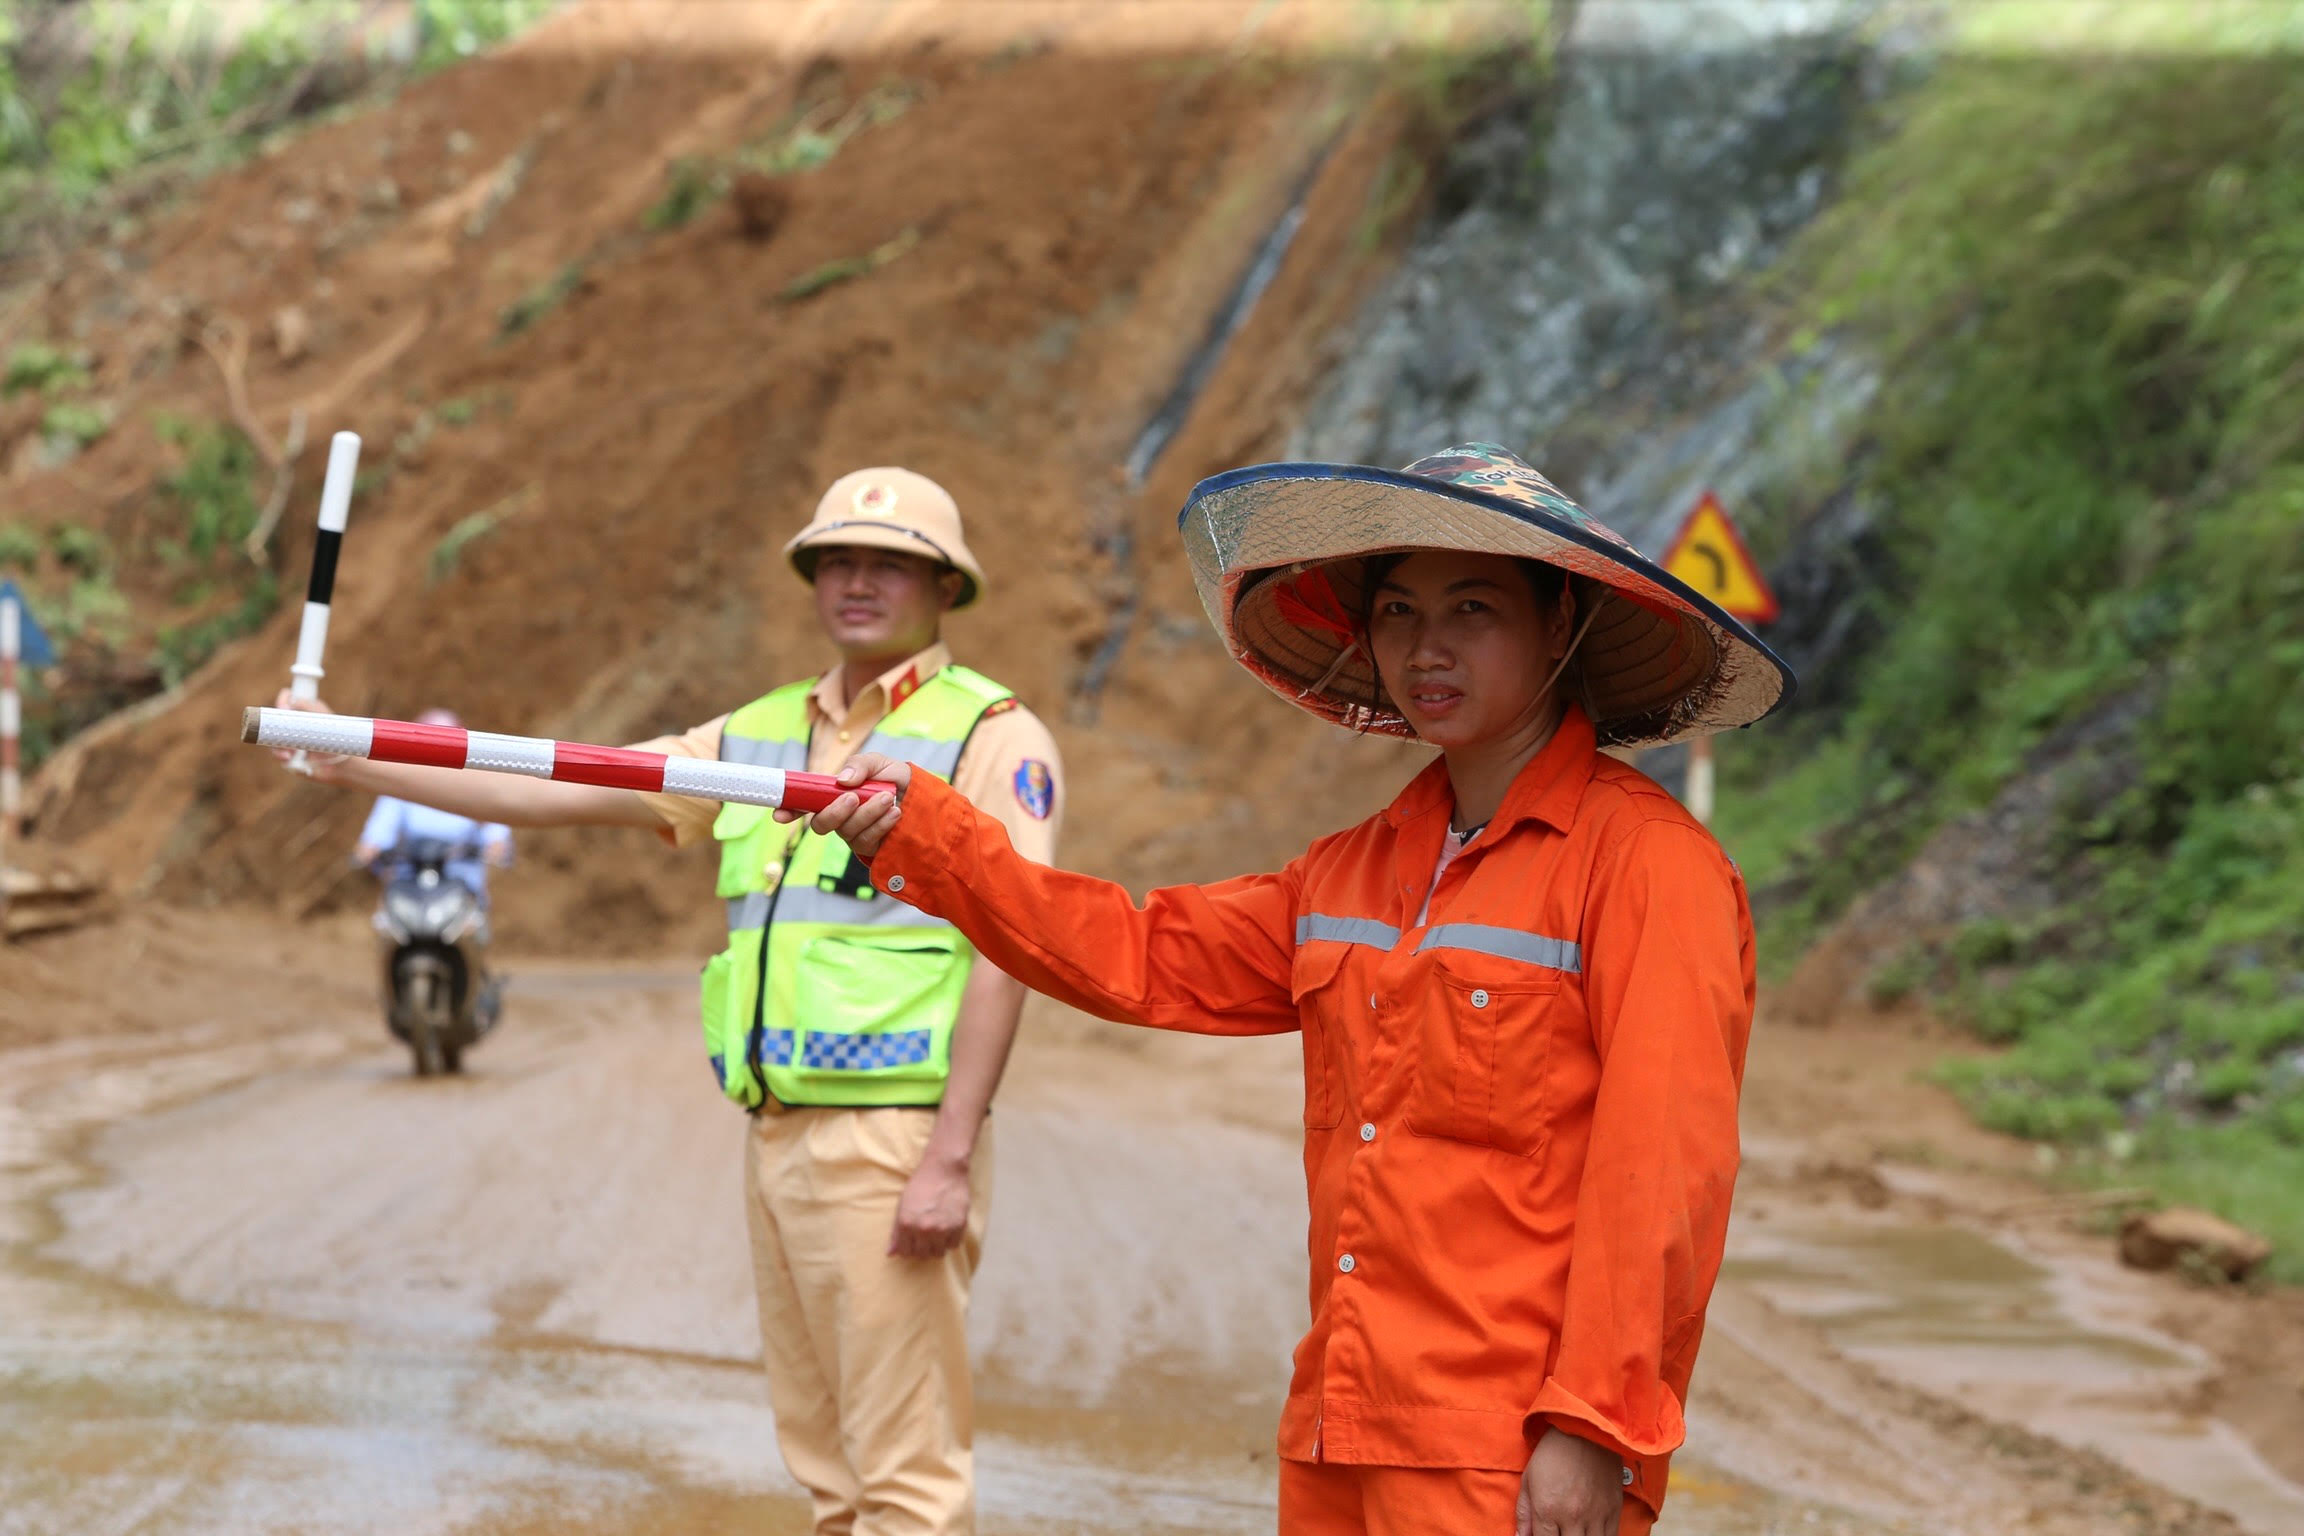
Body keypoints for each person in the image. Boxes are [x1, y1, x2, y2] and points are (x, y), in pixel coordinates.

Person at [793, 444, 1794, 1536]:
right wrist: (934, 837)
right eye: (1400, 611)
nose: (1428, 646)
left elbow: (1663, 1175)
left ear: (1561, 628)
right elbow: (1138, 952)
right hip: (1338, 1429)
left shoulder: (1651, 869)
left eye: (1473, 608)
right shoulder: (1354, 868)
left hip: (1505, 1452)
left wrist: (1594, 1427)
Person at [277, 468, 1061, 1536]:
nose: (858, 581)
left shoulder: (992, 738)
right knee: (830, 1470)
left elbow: (1012, 945)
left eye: (889, 563)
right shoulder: (762, 732)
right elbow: (552, 782)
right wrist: (357, 753)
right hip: (778, 1129)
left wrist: (950, 1155)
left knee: (907, 1480)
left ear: (944, 586)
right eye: (838, 560)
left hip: (896, 1135)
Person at [353, 709, 514, 904]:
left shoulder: (473, 786)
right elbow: (381, 827)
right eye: (430, 748)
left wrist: (496, 844)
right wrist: (368, 850)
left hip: (460, 882)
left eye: (445, 749)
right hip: (410, 880)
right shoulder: (401, 785)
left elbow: (492, 820)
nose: (437, 758)